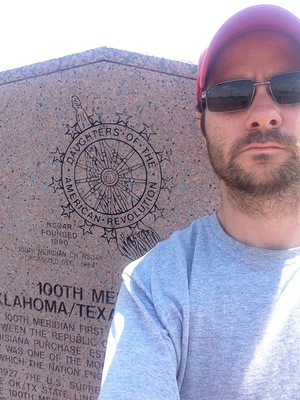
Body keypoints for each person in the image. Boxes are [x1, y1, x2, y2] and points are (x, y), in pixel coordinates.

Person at [99, 5, 300, 399]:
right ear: (201, 123)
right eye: (230, 95)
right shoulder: (154, 287)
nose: (263, 114)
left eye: (292, 86)